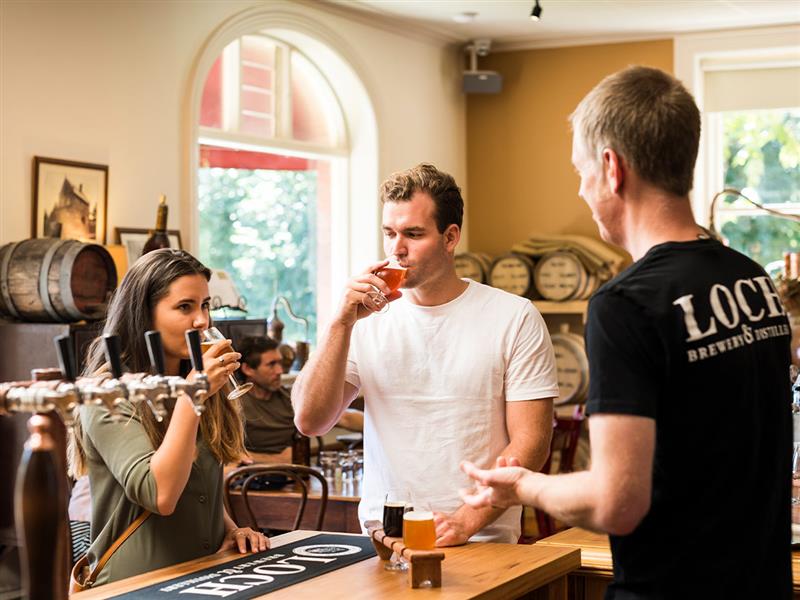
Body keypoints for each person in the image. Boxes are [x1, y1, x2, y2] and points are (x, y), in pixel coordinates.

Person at [461, 66, 792, 598]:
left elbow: (618, 501)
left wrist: (524, 486)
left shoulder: (626, 304)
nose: (582, 190)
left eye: (581, 171)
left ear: (612, 169)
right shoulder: (751, 278)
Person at [292, 163, 558, 545]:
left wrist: (465, 522)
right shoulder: (364, 320)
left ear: (450, 238)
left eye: (413, 234)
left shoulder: (513, 316)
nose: (396, 249)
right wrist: (339, 324)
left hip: (482, 540)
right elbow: (310, 421)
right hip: (384, 539)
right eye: (389, 233)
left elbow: (531, 445)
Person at [68, 249, 268, 586]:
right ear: (144, 316)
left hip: (204, 577)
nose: (203, 321)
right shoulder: (108, 394)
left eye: (205, 305)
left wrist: (233, 531)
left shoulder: (197, 384)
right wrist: (194, 397)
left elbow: (199, 485)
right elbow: (161, 495)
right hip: (135, 586)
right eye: (185, 307)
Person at [236, 335, 362, 458]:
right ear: (248, 369)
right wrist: (278, 460)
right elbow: (229, 456)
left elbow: (344, 417)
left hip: (295, 471)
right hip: (251, 475)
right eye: (271, 364)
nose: (280, 370)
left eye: (280, 363)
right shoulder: (235, 404)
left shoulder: (287, 397)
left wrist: (378, 427)